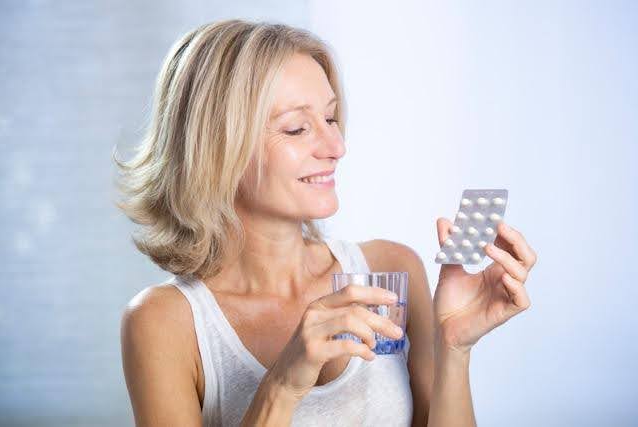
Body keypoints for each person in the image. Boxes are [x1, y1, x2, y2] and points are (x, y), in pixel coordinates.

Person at [114, 19, 537, 427]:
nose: (337, 146)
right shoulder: (163, 323)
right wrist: (282, 385)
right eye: (297, 129)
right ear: (217, 150)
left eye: (331, 118)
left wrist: (454, 347)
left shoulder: (390, 270)